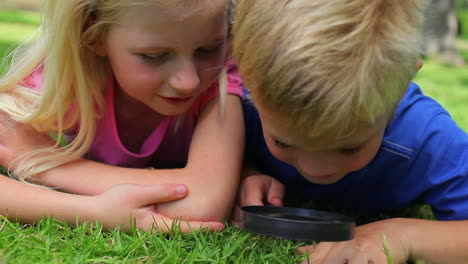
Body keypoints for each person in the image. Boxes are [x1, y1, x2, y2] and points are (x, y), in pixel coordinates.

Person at [233, 0, 468, 263]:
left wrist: (406, 235)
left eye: (349, 147)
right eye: (284, 142)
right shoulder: (239, 104)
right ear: (245, 78)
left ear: (399, 89)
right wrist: (242, 170)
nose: (315, 169)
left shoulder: (428, 139)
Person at [0, 0, 244, 232]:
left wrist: (48, 164)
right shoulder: (62, 82)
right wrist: (92, 211)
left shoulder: (220, 81)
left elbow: (203, 202)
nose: (188, 81)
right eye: (154, 55)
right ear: (93, 33)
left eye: (208, 49)